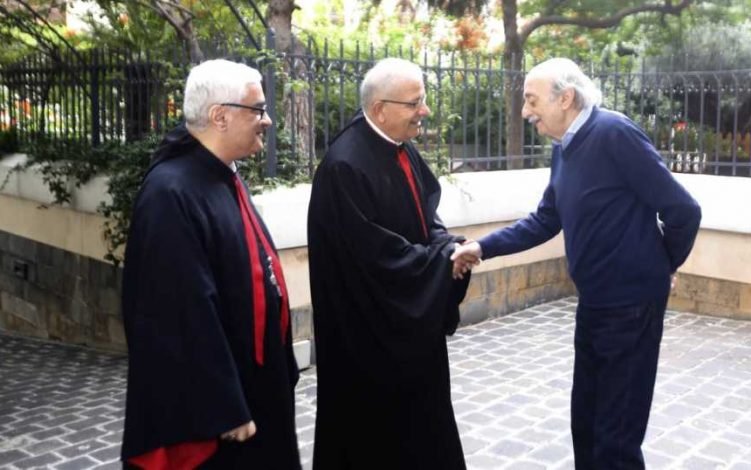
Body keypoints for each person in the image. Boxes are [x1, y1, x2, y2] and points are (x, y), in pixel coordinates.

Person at [452, 58, 701, 469]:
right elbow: (546, 219)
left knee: (615, 439)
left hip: (631, 306)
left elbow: (683, 210)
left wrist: (663, 266)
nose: (525, 111)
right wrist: (482, 247)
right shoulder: (564, 148)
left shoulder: (614, 133)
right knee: (585, 423)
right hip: (594, 303)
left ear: (565, 98)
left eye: (532, 100)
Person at [120, 59, 301, 470]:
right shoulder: (171, 192)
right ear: (220, 116)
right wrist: (223, 406)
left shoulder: (221, 174)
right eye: (258, 110)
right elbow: (178, 313)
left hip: (256, 382)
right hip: (221, 412)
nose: (267, 121)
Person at [307, 57, 471, 470]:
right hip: (370, 340)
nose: (424, 111)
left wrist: (446, 246)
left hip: (410, 334)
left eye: (423, 100)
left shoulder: (402, 148)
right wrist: (442, 262)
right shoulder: (345, 165)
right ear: (380, 109)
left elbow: (425, 216)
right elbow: (376, 259)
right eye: (414, 103)